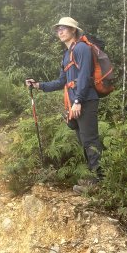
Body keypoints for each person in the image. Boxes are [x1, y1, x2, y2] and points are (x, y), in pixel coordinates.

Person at [25, 17, 103, 194]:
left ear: (73, 30)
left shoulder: (82, 48)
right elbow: (62, 81)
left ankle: (101, 180)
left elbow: (83, 77)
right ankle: (94, 176)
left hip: (86, 100)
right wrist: (38, 85)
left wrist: (78, 101)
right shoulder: (66, 55)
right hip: (76, 103)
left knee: (90, 139)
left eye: (64, 28)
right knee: (83, 140)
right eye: (58, 29)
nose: (60, 31)